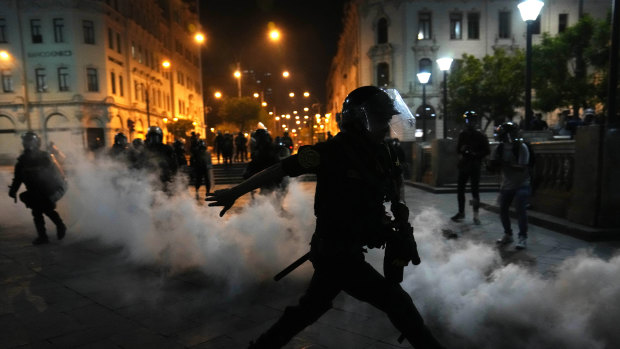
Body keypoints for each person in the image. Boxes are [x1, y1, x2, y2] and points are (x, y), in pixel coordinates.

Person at [207, 86, 445, 349]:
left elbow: (392, 189)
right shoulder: (331, 151)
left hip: (350, 250)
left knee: (309, 309)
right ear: (358, 119)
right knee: (396, 301)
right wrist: (236, 192)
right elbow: (280, 168)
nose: (387, 126)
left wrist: (398, 213)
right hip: (335, 251)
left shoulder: (383, 153)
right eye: (380, 119)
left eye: (388, 119)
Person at [9, 132, 67, 245]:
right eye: (25, 142)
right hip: (34, 191)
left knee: (47, 209)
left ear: (36, 143)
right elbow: (18, 178)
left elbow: (56, 175)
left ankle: (60, 226)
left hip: (46, 190)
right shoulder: (22, 160)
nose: (27, 144)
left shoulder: (45, 157)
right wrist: (13, 190)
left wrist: (54, 190)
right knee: (36, 213)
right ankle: (43, 236)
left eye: (29, 141)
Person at [488, 121, 531, 250]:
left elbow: (523, 168)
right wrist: (491, 164)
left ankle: (522, 237)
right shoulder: (499, 149)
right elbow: (492, 167)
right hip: (507, 184)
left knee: (520, 208)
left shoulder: (521, 147)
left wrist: (506, 164)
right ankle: (508, 234)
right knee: (503, 210)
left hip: (522, 183)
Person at [451, 111, 490, 225]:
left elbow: (486, 151)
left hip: (474, 165)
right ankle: (461, 212)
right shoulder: (463, 134)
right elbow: (458, 149)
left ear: (475, 121)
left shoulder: (481, 135)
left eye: (471, 120)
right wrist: (463, 150)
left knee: (475, 191)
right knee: (460, 190)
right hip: (464, 165)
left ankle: (475, 215)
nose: (469, 122)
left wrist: (475, 154)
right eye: (468, 120)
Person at [242, 128, 282, 194]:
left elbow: (270, 157)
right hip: (263, 168)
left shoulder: (266, 146)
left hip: (269, 169)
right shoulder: (260, 146)